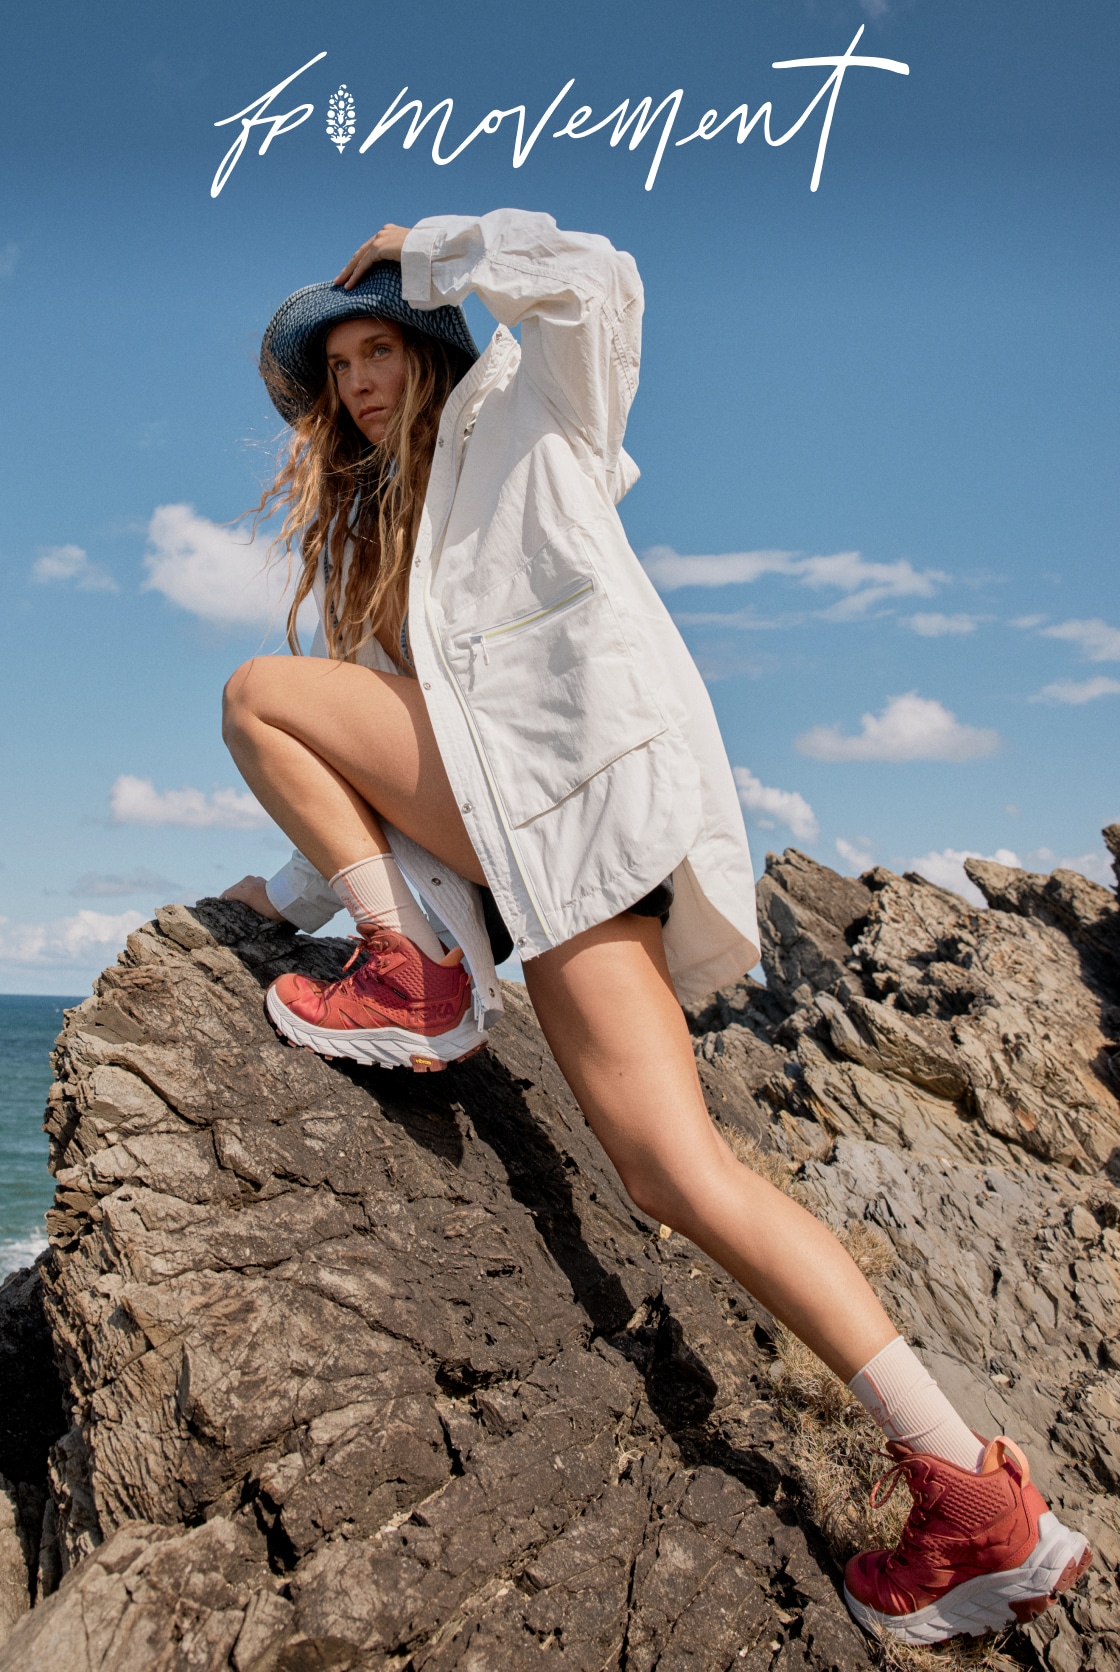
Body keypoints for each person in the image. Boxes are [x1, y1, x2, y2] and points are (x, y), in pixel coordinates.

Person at [219, 210, 1090, 1644]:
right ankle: (972, 1500)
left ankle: (415, 977)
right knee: (676, 1177)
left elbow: (598, 278)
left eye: (382, 349)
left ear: (431, 350)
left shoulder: (529, 411)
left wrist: (431, 249)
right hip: (542, 860)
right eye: (342, 364)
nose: (363, 381)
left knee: (258, 693)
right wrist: (293, 893)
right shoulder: (396, 558)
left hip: (583, 828)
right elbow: (398, 756)